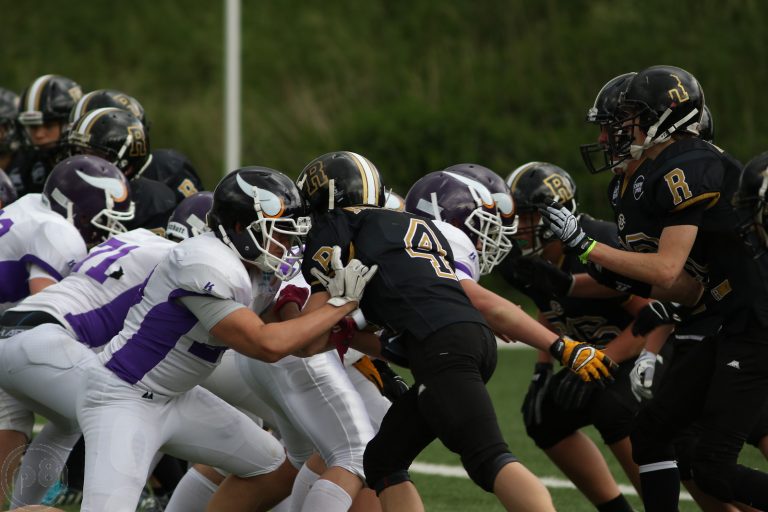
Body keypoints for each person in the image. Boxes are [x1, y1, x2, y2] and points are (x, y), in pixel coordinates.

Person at [296, 151, 614, 512]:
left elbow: (311, 335)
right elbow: (393, 334)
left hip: (445, 347)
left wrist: (562, 347)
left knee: (487, 457)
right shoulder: (403, 230)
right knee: (383, 460)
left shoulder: (349, 231)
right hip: (451, 343)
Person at [71, 166, 372, 512]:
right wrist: (340, 304)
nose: (287, 245)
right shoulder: (203, 260)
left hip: (178, 397)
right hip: (123, 396)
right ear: (241, 227)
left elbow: (296, 341)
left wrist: (348, 314)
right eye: (279, 234)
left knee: (271, 464)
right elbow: (267, 344)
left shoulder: (253, 267)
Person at [540, 65, 768, 511]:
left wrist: (586, 248)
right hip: (722, 316)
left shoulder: (691, 163)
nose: (609, 138)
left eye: (622, 122)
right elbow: (683, 288)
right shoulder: (635, 181)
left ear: (664, 118)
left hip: (755, 318)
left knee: (714, 465)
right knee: (651, 433)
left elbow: (664, 270)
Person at [0, 192, 211, 509]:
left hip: (13, 329)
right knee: (130, 414)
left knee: (67, 424)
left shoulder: (137, 239)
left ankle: (24, 504)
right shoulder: (182, 264)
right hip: (45, 337)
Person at [501, 161, 670, 512]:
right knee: (543, 416)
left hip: (649, 352)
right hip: (597, 352)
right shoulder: (520, 258)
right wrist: (542, 367)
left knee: (613, 408)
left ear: (553, 216)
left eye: (527, 217)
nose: (517, 227)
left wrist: (603, 357)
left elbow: (653, 317)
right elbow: (547, 306)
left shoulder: (597, 246)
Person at [0, 154, 133, 507]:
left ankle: (20, 506)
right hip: (13, 333)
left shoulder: (31, 206)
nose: (109, 229)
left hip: (6, 332)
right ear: (77, 208)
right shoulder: (61, 231)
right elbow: (44, 299)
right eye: (106, 218)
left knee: (63, 416)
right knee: (77, 404)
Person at [67, 107, 177, 232]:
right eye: (78, 152)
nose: (83, 161)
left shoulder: (152, 203)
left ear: (127, 164)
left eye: (93, 155)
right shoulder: (68, 184)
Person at [12, 74, 82, 195]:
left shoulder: (86, 159)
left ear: (69, 123)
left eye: (48, 125)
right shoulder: (27, 164)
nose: (39, 135)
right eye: (33, 126)